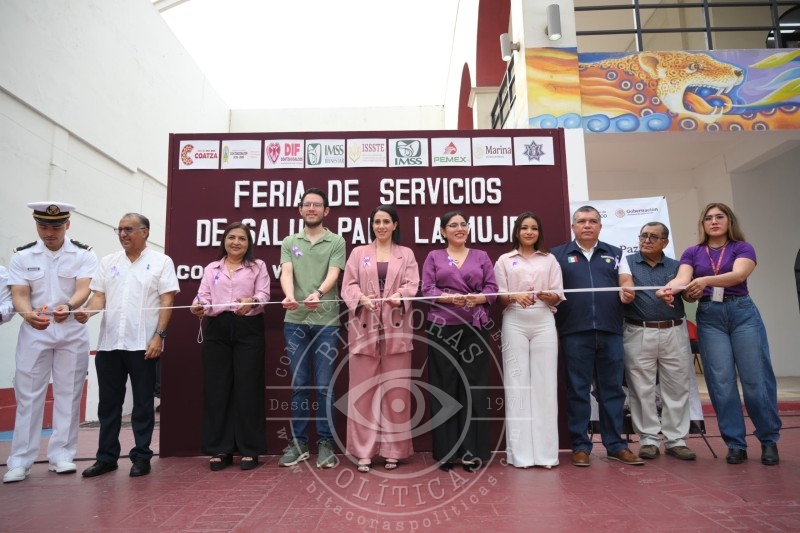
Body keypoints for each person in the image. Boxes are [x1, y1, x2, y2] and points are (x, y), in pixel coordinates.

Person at [657, 203, 781, 465]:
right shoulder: (693, 252)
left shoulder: (742, 247)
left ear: (729, 221)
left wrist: (704, 281)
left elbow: (738, 275)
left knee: (755, 381)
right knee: (721, 384)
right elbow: (682, 279)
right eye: (708, 218)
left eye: (719, 217)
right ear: (702, 224)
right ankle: (735, 444)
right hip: (710, 316)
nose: (713, 221)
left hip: (742, 313)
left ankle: (769, 440)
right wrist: (668, 289)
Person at [76, 213, 179, 478]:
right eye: (120, 229)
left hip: (143, 344)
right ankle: (106, 457)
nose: (123, 234)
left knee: (143, 404)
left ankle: (142, 456)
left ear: (145, 232)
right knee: (109, 405)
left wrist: (159, 335)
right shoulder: (109, 261)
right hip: (110, 344)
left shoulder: (161, 262)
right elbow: (99, 297)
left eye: (129, 229)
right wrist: (87, 311)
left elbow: (167, 301)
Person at [3, 202, 97, 484]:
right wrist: (27, 314)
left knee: (69, 393)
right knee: (29, 396)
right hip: (36, 329)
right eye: (43, 226)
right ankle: (20, 460)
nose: (49, 232)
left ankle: (62, 455)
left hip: (71, 329)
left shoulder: (83, 254)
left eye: (55, 227)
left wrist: (69, 306)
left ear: (67, 225)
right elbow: (20, 293)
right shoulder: (22, 256)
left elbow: (84, 288)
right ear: (36, 225)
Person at [551, 205, 643, 467]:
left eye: (593, 221)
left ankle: (616, 445)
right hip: (573, 331)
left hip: (610, 330)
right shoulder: (557, 255)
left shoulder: (615, 253)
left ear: (600, 226)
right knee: (578, 391)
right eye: (582, 221)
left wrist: (628, 290)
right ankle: (581, 446)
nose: (587, 225)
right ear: (573, 226)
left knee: (612, 390)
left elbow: (625, 279)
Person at [341, 205, 420, 472]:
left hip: (396, 328)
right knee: (362, 393)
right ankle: (363, 452)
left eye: (387, 221)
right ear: (372, 225)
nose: (382, 226)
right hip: (364, 328)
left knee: (396, 392)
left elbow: (412, 284)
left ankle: (393, 451)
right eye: (377, 222)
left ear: (395, 225)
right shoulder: (358, 253)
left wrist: (400, 296)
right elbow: (348, 285)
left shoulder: (406, 254)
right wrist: (360, 298)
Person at [422, 211, 498, 473]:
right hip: (442, 326)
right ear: (443, 231)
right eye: (453, 225)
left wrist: (478, 298)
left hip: (474, 327)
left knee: (473, 387)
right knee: (444, 387)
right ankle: (447, 452)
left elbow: (492, 288)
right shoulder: (434, 256)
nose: (459, 228)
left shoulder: (481, 256)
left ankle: (471, 452)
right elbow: (427, 289)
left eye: (463, 224)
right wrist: (449, 298)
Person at [190, 222, 269, 471]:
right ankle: (220, 449)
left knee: (248, 388)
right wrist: (198, 305)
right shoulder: (212, 268)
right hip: (217, 328)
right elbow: (202, 296)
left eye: (242, 239)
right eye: (232, 237)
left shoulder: (258, 266)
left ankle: (249, 449)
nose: (236, 242)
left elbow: (264, 295)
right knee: (217, 388)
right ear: (224, 240)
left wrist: (251, 301)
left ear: (249, 244)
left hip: (248, 327)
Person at [278, 187, 346, 469]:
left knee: (325, 386)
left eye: (317, 205)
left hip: (326, 321)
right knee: (299, 385)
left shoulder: (336, 241)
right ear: (300, 209)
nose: (312, 209)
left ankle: (326, 443)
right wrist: (289, 295)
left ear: (326, 211)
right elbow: (287, 272)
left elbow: (334, 273)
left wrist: (318, 293)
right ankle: (299, 443)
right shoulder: (289, 241)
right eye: (307, 204)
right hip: (295, 321)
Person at [619, 222, 696, 461]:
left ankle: (676, 440)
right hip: (638, 330)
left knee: (677, 386)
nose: (646, 240)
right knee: (641, 388)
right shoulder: (626, 263)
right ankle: (648, 440)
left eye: (653, 237)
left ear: (665, 242)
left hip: (674, 330)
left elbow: (689, 297)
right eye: (643, 235)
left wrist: (692, 292)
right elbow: (624, 286)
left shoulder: (677, 266)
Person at [494, 212, 564, 468]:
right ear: (517, 232)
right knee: (517, 386)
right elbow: (499, 295)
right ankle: (520, 455)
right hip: (514, 320)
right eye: (524, 228)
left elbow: (558, 295)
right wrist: (514, 296)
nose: (529, 232)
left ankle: (546, 455)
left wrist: (548, 296)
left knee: (546, 386)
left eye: (534, 228)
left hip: (544, 319)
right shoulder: (504, 260)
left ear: (539, 233)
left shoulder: (550, 260)